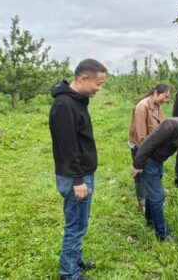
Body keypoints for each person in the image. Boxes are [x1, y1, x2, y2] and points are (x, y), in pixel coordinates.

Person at [49, 58, 107, 280]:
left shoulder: (76, 102)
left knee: (79, 222)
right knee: (75, 224)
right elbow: (68, 145)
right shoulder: (65, 105)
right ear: (83, 78)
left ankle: (74, 259)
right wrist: (78, 179)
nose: (99, 89)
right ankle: (69, 273)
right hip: (76, 177)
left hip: (80, 174)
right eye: (98, 84)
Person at [128, 84, 170, 209]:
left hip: (153, 147)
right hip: (141, 147)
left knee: (154, 173)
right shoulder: (142, 107)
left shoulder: (157, 106)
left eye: (168, 98)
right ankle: (143, 202)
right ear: (156, 93)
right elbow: (141, 135)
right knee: (140, 174)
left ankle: (154, 197)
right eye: (165, 96)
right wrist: (145, 154)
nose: (166, 100)